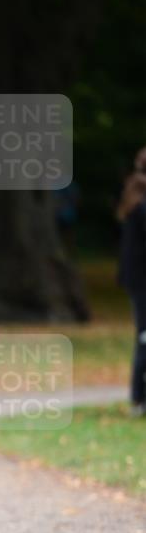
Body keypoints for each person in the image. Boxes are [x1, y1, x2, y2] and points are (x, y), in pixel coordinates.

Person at [116, 146, 146, 417]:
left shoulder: (135, 196)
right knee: (144, 338)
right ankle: (139, 398)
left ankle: (139, 398)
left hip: (135, 280)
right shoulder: (142, 204)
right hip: (141, 281)